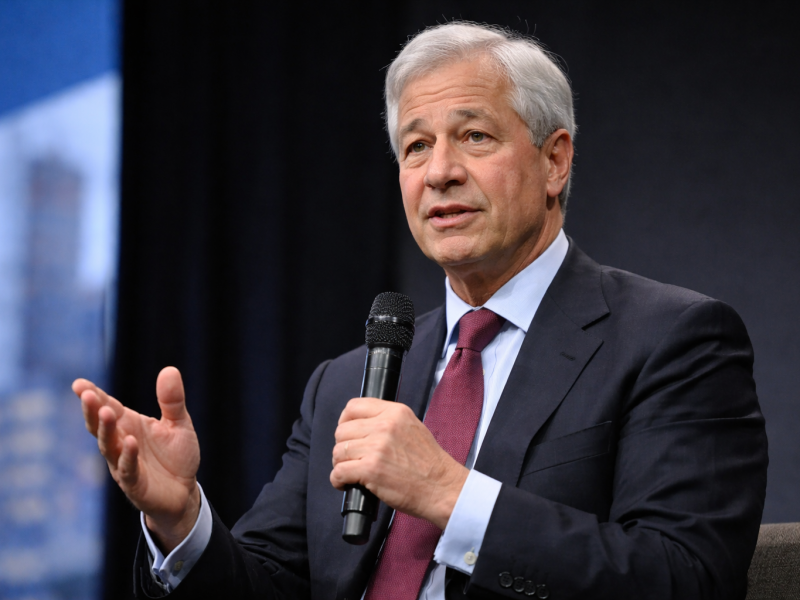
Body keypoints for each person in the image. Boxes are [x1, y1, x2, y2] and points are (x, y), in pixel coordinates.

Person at [73, 22, 768, 600]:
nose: (439, 172)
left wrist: (447, 492)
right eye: (416, 146)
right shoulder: (344, 384)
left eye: (474, 136)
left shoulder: (671, 340)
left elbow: (688, 578)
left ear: (555, 162)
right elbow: (268, 583)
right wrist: (182, 523)